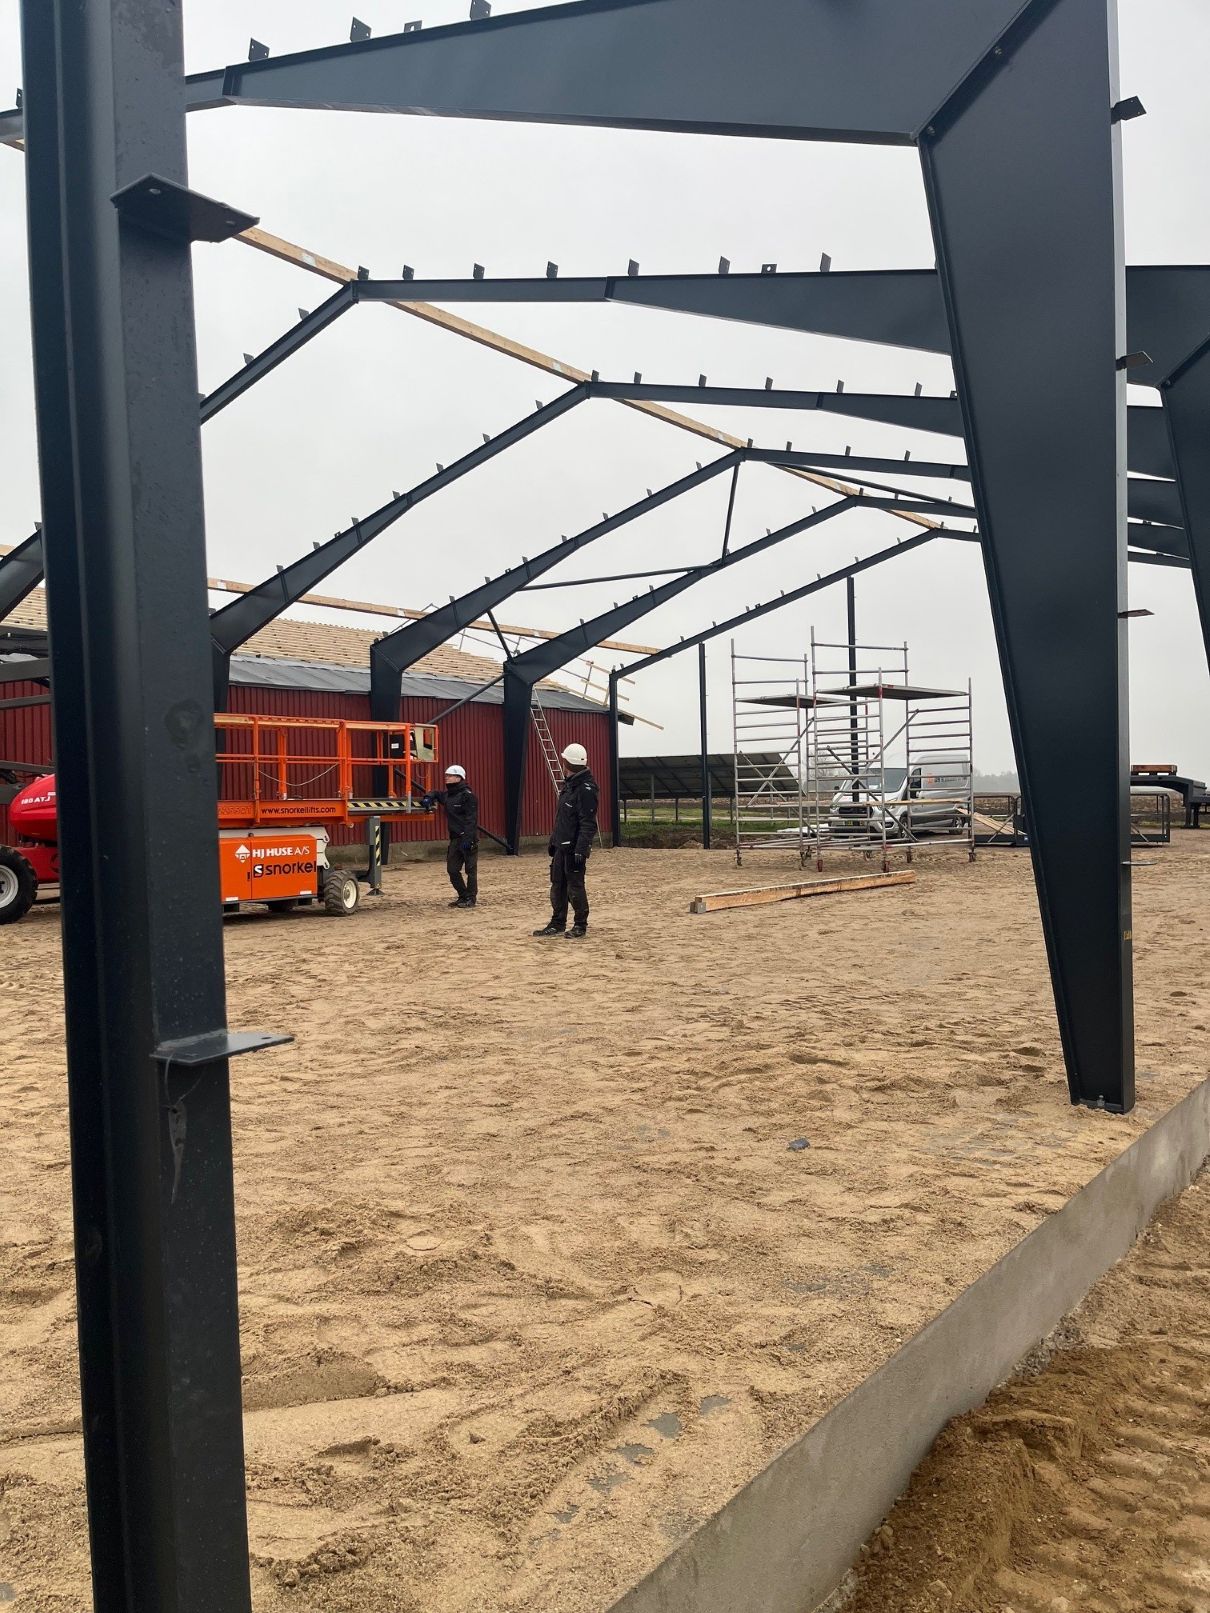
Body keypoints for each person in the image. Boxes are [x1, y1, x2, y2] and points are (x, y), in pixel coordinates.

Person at [534, 742, 598, 940]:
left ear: (568, 763)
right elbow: (562, 819)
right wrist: (554, 842)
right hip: (561, 847)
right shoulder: (569, 787)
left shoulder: (585, 789)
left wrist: (581, 849)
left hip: (573, 849)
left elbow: (588, 823)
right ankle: (557, 923)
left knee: (575, 887)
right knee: (558, 886)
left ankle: (580, 925)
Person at [422, 765, 480, 908]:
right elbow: (436, 793)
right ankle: (463, 896)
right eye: (446, 775)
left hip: (467, 839)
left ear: (459, 777)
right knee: (452, 870)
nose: (446, 777)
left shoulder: (468, 796)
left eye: (450, 775)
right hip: (455, 839)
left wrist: (468, 840)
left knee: (470, 870)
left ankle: (471, 899)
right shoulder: (448, 795)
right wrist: (428, 797)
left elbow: (471, 820)